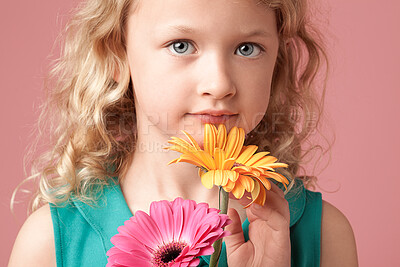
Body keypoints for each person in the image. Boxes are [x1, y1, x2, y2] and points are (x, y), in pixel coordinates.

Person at [8, 0, 358, 266]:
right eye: (181, 45)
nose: (219, 84)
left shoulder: (325, 235)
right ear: (116, 55)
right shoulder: (49, 245)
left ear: (276, 60)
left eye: (246, 49)